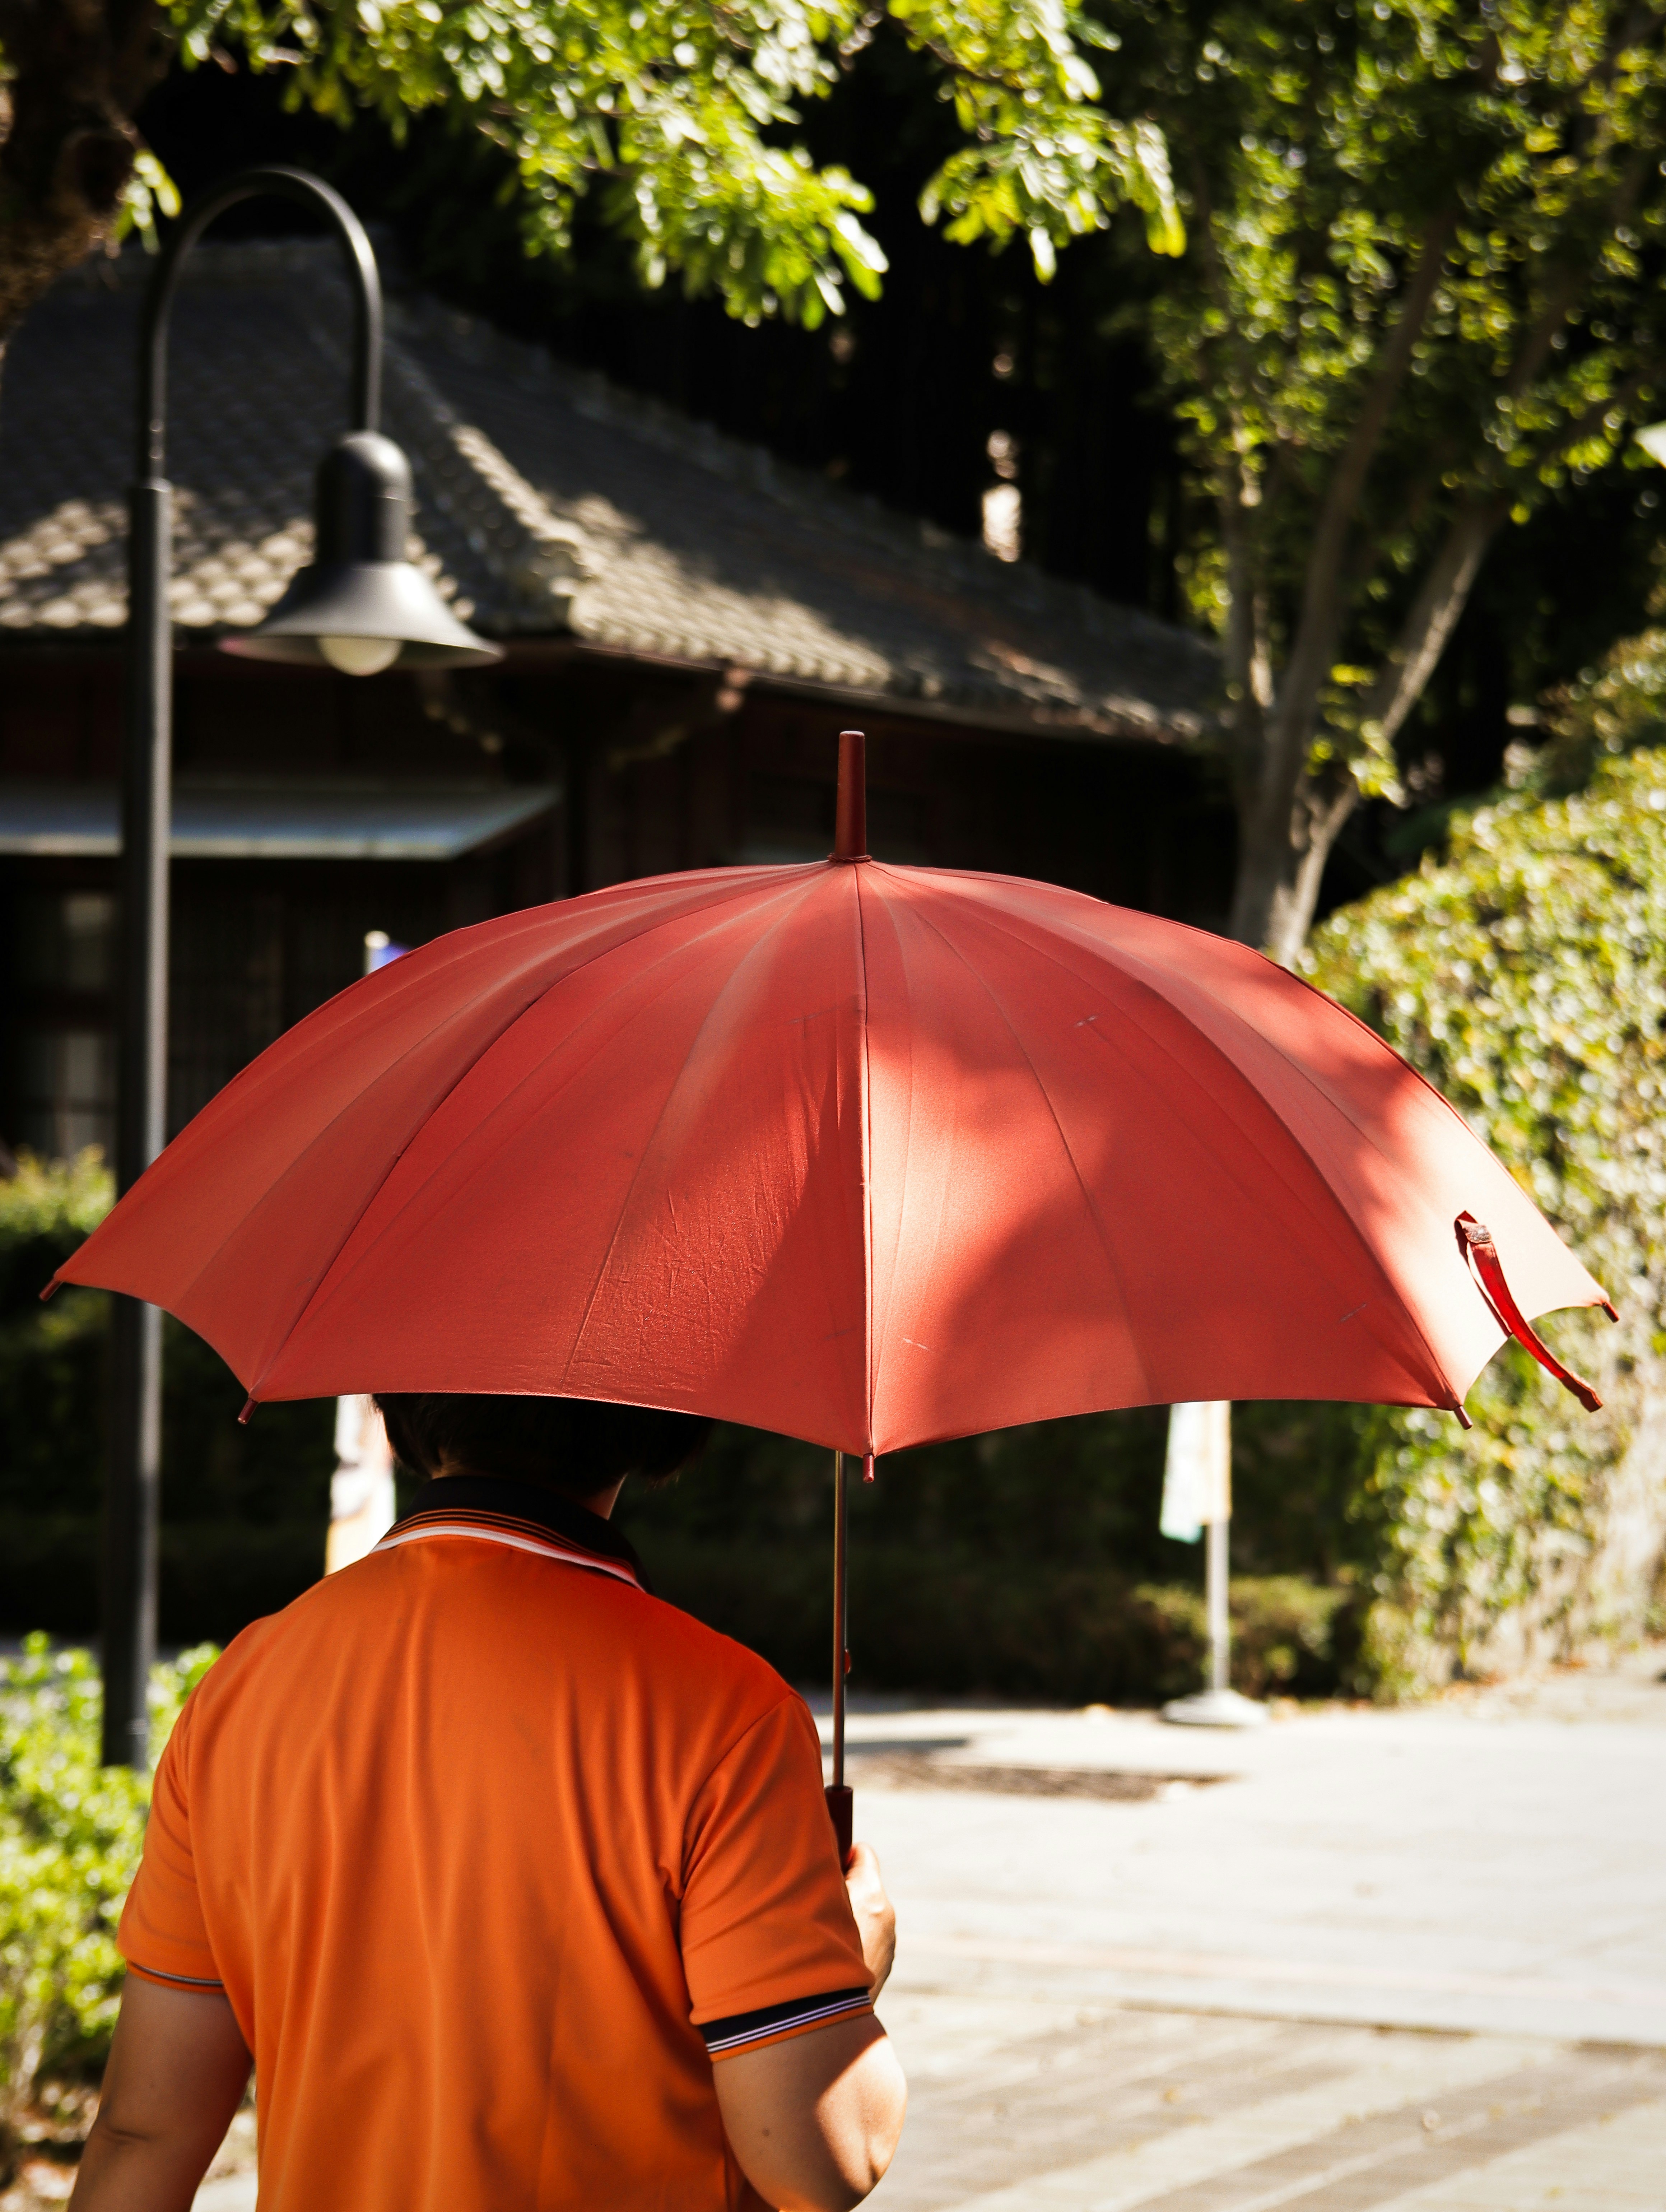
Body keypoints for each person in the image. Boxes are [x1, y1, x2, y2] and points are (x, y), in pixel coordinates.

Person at [70, 1394, 906, 2212]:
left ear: (398, 1405)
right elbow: (825, 2158)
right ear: (664, 1419)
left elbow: (145, 2132)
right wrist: (850, 1969)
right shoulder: (726, 1712)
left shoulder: (241, 1688)